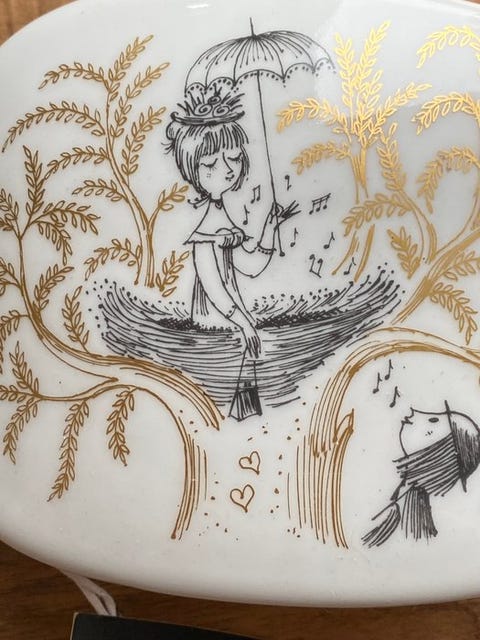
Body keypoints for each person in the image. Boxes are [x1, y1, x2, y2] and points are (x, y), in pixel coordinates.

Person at [166, 85, 297, 359]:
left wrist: (269, 229)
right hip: (215, 328)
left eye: (234, 158)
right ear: (192, 169)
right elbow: (214, 289)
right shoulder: (203, 234)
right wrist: (245, 325)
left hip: (233, 320)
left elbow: (249, 267)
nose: (227, 170)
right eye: (210, 165)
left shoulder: (220, 212)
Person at [363, 402, 480, 547]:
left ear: (442, 455)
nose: (415, 412)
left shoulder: (397, 512)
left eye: (433, 420)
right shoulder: (409, 508)